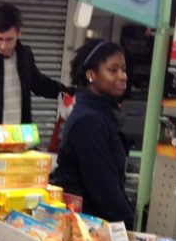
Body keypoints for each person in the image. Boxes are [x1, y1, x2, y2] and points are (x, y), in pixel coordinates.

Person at [49, 39, 135, 229]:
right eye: (113, 70)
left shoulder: (102, 113)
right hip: (88, 229)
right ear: (91, 75)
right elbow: (104, 188)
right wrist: (129, 225)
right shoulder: (88, 121)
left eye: (123, 69)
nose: (123, 76)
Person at [0, 3, 69, 125]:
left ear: (19, 33)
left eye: (9, 39)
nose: (3, 46)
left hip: (21, 133)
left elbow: (40, 84)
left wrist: (71, 92)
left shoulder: (25, 56)